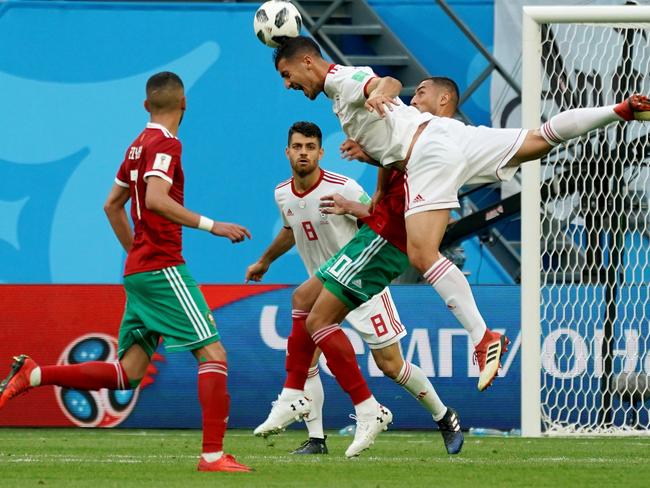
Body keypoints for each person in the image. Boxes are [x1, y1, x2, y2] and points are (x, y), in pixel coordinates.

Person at [271, 36, 650, 391]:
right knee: (539, 139)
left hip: (427, 154)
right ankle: (620, 110)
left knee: (422, 253)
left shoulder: (340, 80)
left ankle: (483, 336)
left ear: (307, 61)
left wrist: (382, 94)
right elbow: (386, 132)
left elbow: (381, 82)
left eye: (287, 76)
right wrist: (372, 146)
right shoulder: (340, 94)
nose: (287, 85)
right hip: (449, 136)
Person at [0, 72, 252, 473]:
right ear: (184, 103)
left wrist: (135, 251)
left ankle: (35, 374)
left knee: (128, 373)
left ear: (145, 105)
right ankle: (212, 455)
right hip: (163, 267)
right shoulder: (167, 143)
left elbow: (111, 205)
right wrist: (212, 225)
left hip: (139, 270)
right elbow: (155, 198)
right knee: (214, 354)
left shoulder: (137, 145)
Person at [246, 121, 462, 456]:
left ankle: (443, 415)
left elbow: (377, 222)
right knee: (308, 356)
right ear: (287, 152)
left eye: (309, 147)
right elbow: (291, 229)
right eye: (297, 147)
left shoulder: (343, 186)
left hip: (363, 286)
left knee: (392, 366)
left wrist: (353, 210)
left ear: (321, 152)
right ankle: (316, 439)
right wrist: (264, 261)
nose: (303, 153)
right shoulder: (282, 193)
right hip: (322, 287)